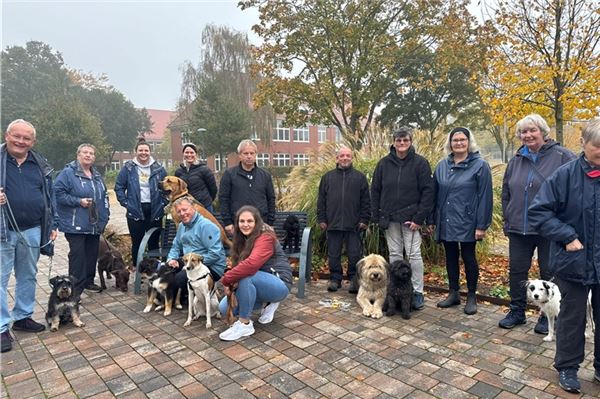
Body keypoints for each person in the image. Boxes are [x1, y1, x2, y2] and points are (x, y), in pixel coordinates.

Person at [528, 118, 600, 393]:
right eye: (597, 147)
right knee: (572, 317)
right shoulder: (564, 176)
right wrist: (567, 236)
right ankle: (568, 368)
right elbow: (539, 212)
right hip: (574, 262)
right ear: (582, 143)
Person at [498, 114, 576, 332]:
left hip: (548, 229)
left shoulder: (563, 157)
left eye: (532, 130)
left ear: (543, 131)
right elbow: (506, 192)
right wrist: (507, 218)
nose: (527, 135)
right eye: (523, 132)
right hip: (518, 228)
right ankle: (516, 311)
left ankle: (546, 316)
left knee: (548, 272)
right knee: (517, 271)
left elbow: (574, 191)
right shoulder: (516, 160)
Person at [0, 119, 58, 353]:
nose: (21, 141)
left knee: (28, 275)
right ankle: (2, 327)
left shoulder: (39, 164)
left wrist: (53, 224)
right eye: (17, 136)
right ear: (7, 136)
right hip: (2, 229)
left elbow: (49, 197)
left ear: (32, 142)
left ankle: (23, 316)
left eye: (26, 138)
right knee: (1, 279)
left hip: (33, 229)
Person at [371, 126, 434, 310]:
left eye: (405, 140)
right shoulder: (383, 164)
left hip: (411, 219)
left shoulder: (420, 163)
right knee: (395, 254)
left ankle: (417, 292)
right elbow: (375, 190)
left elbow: (428, 192)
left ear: (410, 142)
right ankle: (395, 290)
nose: (402, 143)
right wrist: (377, 216)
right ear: (393, 142)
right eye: (398, 140)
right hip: (389, 218)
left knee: (414, 255)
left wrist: (419, 218)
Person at [432, 127, 493, 315]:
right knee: (450, 256)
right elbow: (434, 194)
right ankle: (453, 293)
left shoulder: (480, 165)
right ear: (450, 143)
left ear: (469, 142)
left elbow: (485, 196)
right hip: (447, 219)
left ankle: (472, 295)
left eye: (462, 140)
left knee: (468, 257)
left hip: (468, 220)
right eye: (455, 140)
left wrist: (481, 225)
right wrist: (433, 219)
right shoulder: (442, 165)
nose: (458, 143)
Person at [218, 205, 292, 341]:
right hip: (258, 282)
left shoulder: (266, 237)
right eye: (242, 221)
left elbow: (251, 265)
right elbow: (236, 265)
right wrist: (230, 275)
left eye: (249, 221)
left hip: (279, 283)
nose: (245, 225)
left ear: (257, 222)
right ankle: (267, 303)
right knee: (225, 308)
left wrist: (226, 279)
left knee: (246, 276)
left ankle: (245, 324)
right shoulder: (241, 239)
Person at [54, 144, 110, 295]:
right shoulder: (67, 174)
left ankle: (88, 281)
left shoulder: (97, 176)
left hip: (94, 224)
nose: (88, 155)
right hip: (75, 224)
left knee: (92, 253)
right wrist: (78, 201)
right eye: (85, 152)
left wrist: (105, 218)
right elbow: (58, 194)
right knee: (78, 256)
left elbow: (104, 197)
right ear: (78, 155)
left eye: (91, 153)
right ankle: (75, 287)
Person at [317, 146, 370, 293]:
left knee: (354, 254)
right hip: (332, 223)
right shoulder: (327, 177)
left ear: (352, 158)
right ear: (337, 158)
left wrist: (364, 220)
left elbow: (366, 201)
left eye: (348, 156)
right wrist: (322, 219)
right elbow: (321, 200)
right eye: (342, 156)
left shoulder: (360, 177)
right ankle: (335, 279)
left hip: (354, 224)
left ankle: (354, 280)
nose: (345, 158)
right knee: (333, 254)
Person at [115, 138, 168, 266]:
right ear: (136, 152)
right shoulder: (128, 168)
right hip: (135, 210)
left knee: (153, 242)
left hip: (154, 209)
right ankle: (138, 270)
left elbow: (167, 187)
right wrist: (126, 203)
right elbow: (119, 187)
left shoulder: (159, 168)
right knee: (137, 242)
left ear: (150, 152)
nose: (143, 153)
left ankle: (153, 270)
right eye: (140, 150)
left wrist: (163, 203)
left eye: (146, 150)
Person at [166, 196, 226, 292]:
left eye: (185, 210)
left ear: (194, 208)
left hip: (212, 266)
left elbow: (215, 254)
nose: (182, 213)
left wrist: (190, 266)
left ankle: (196, 293)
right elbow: (176, 246)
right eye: (179, 211)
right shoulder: (181, 226)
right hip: (189, 261)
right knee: (166, 271)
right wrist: (171, 259)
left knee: (180, 279)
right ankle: (179, 297)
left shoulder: (206, 226)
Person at [219, 140, 276, 234]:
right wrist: (227, 222)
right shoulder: (229, 175)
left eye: (252, 153)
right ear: (240, 155)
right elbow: (224, 199)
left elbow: (271, 199)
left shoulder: (265, 175)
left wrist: (270, 222)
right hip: (239, 224)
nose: (249, 156)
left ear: (255, 155)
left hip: (261, 224)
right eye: (245, 153)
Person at [174, 143, 218, 213]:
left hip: (204, 206)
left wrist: (207, 200)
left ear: (196, 154)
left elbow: (213, 189)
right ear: (183, 154)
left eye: (192, 152)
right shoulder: (178, 172)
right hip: (186, 208)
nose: (189, 155)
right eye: (187, 152)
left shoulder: (204, 170)